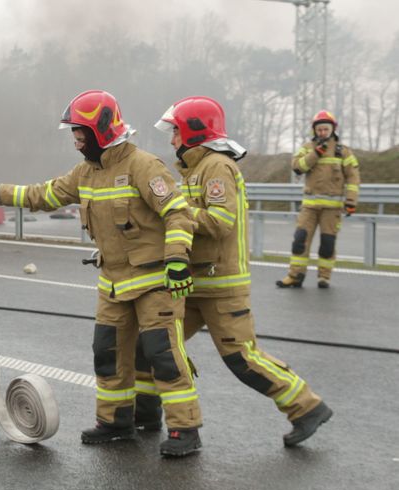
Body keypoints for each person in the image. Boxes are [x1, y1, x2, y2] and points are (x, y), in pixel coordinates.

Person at [0, 90, 203, 457]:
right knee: (106, 352)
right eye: (74, 133)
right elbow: (44, 194)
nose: (76, 140)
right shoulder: (85, 173)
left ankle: (185, 428)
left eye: (80, 132)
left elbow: (177, 213)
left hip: (154, 282)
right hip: (112, 283)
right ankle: (116, 421)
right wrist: (0, 193)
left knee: (162, 354)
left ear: (103, 131)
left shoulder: (144, 166)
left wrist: (176, 259)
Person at [132, 97, 332, 448]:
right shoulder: (194, 169)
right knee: (153, 346)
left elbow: (221, 222)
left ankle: (306, 407)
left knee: (242, 359)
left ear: (195, 131)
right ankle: (147, 414)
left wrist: (176, 214)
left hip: (222, 286)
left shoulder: (217, 167)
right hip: (194, 284)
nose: (171, 139)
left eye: (176, 131)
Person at [277, 110, 360, 289]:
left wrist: (351, 201)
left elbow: (353, 177)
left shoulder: (342, 151)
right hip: (309, 208)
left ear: (332, 130)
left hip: (332, 208)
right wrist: (315, 153)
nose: (322, 132)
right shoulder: (307, 148)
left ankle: (324, 277)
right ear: (314, 130)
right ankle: (295, 276)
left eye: (325, 129)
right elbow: (297, 167)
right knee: (300, 241)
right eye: (319, 129)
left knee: (327, 244)